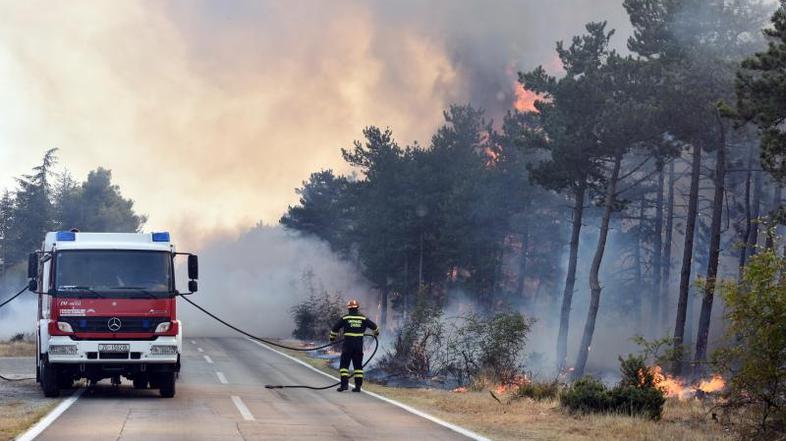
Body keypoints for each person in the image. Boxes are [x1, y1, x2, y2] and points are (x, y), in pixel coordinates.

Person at [329, 299, 380, 392]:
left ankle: (344, 385)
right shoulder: (363, 318)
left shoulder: (345, 318)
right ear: (357, 308)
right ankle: (358, 387)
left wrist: (332, 338)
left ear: (349, 308)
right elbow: (375, 327)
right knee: (358, 367)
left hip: (347, 345)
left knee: (344, 366)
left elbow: (335, 328)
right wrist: (375, 334)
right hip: (358, 345)